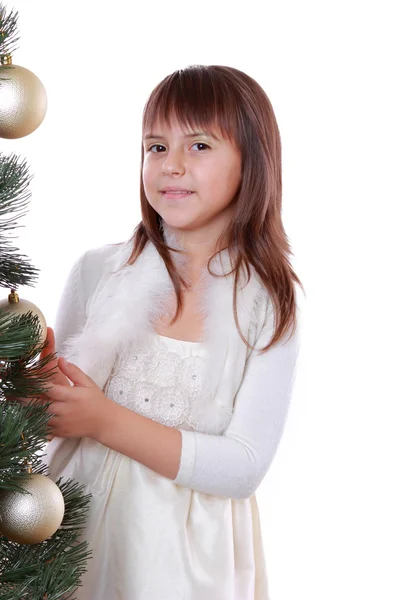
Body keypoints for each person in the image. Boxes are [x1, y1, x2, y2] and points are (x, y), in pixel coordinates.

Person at [43, 64, 304, 600]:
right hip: (78, 535)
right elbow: (57, 419)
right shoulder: (98, 271)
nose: (172, 166)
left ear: (251, 161)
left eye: (200, 145)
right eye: (156, 147)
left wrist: (104, 418)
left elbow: (244, 466)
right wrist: (37, 386)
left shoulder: (267, 300)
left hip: (187, 562)